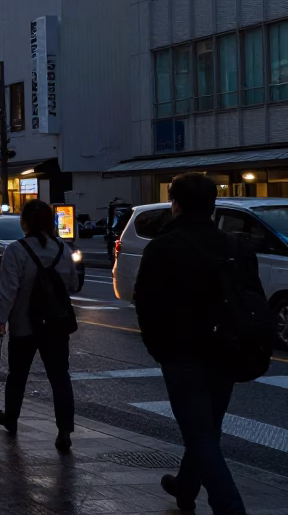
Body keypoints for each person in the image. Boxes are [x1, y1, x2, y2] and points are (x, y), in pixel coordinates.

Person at [135, 173, 252, 515]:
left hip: (182, 353)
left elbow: (146, 303)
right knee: (206, 428)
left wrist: (159, 349)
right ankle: (186, 486)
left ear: (177, 204)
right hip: (227, 350)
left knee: (199, 432)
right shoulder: (235, 246)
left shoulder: (164, 247)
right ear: (213, 204)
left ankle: (230, 506)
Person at [0, 199, 79, 451]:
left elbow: (8, 289)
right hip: (55, 324)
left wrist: (1, 319)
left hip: (23, 324)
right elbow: (73, 285)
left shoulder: (16, 250)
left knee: (17, 375)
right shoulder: (63, 249)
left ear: (25, 223)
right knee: (60, 377)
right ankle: (64, 430)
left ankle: (11, 417)